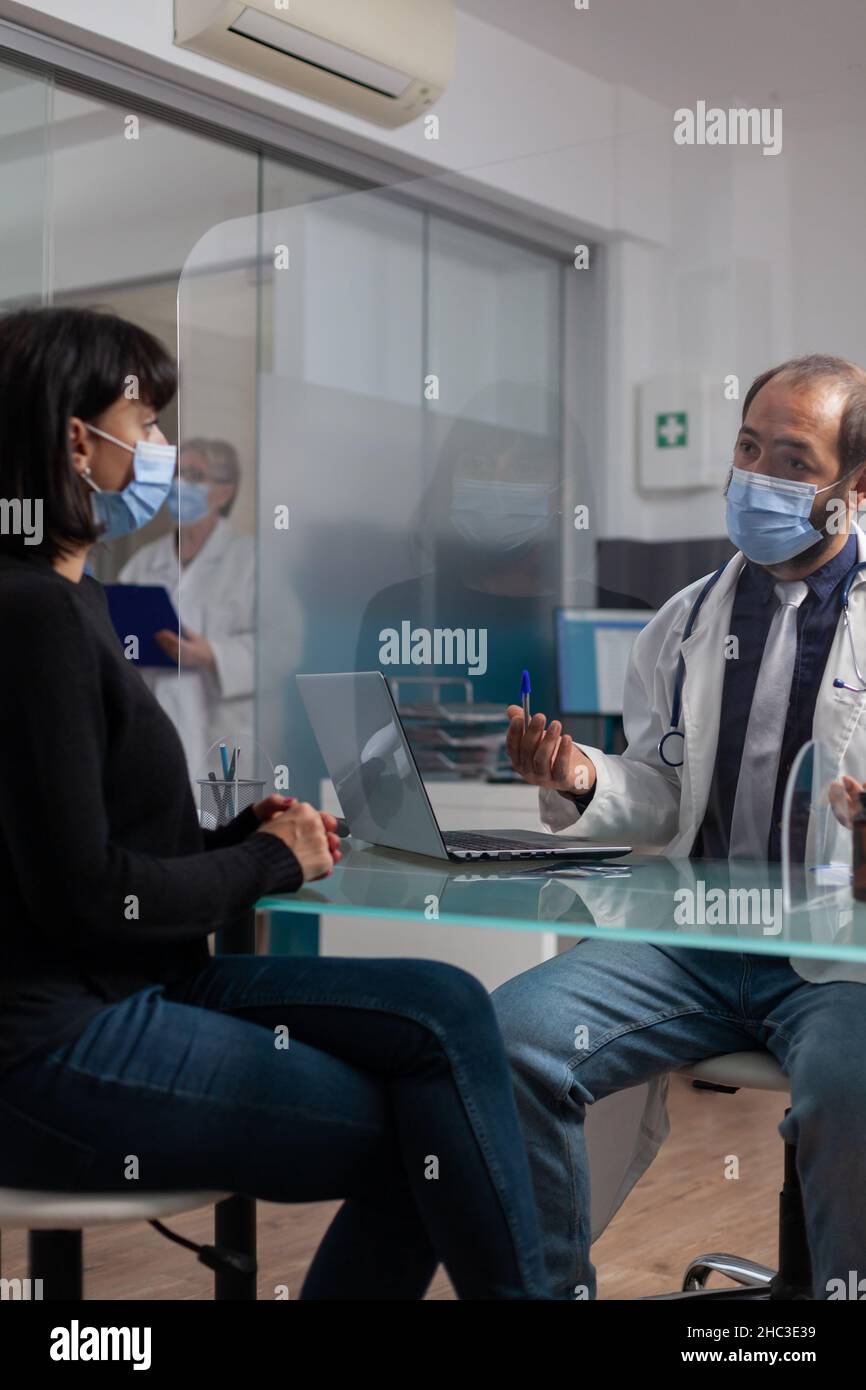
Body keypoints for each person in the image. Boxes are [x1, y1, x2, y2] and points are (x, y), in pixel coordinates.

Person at [0, 306, 555, 1300]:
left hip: (135, 978)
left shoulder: (68, 595)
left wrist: (235, 836)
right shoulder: (32, 610)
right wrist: (269, 863)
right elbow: (82, 893)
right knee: (428, 1126)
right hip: (53, 1038)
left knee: (446, 1004)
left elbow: (77, 836)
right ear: (78, 441)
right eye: (149, 423)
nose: (164, 451)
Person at [495, 354, 866, 1300]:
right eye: (749, 447)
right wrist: (584, 778)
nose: (757, 476)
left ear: (852, 489)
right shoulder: (684, 621)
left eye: (792, 458)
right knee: (510, 1039)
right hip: (691, 944)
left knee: (853, 1095)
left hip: (842, 961)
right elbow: (663, 792)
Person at [119, 437, 273, 776]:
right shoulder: (143, 562)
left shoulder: (254, 560)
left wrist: (210, 655)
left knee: (223, 823)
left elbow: (283, 650)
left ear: (224, 491)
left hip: (224, 739)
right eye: (176, 473)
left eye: (193, 474)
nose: (178, 484)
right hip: (154, 734)